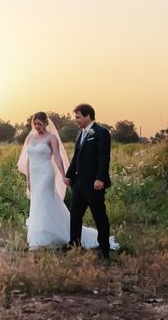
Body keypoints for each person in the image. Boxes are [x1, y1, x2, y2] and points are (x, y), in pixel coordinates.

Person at [17, 111, 117, 252]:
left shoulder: (51, 138)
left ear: (46, 123)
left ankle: (47, 237)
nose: (37, 127)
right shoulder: (30, 138)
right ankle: (38, 235)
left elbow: (57, 157)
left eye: (40, 124)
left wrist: (65, 175)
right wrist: (27, 179)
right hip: (34, 175)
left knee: (44, 201)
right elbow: (28, 159)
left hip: (46, 174)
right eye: (35, 124)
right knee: (36, 203)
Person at [64, 103, 113, 258]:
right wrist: (68, 175)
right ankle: (74, 245)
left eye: (78, 117)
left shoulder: (101, 132)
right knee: (75, 215)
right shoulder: (81, 133)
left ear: (88, 116)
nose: (76, 120)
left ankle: (104, 249)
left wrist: (100, 179)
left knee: (99, 216)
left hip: (94, 184)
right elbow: (76, 156)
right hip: (78, 183)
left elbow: (104, 158)